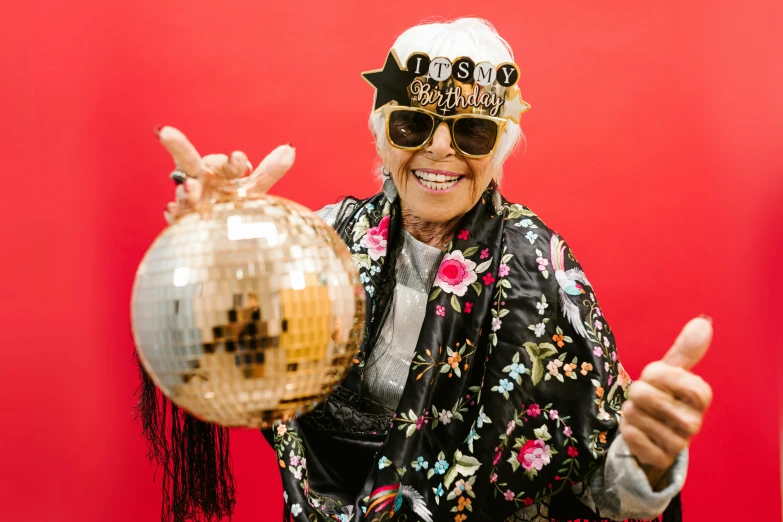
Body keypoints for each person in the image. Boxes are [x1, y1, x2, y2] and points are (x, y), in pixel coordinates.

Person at [141, 17, 713, 522]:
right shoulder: (317, 244)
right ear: (383, 134)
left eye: (470, 130)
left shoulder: (542, 268)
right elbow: (212, 362)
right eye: (413, 124)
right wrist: (207, 248)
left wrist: (645, 461)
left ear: (499, 147)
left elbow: (609, 493)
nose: (440, 149)